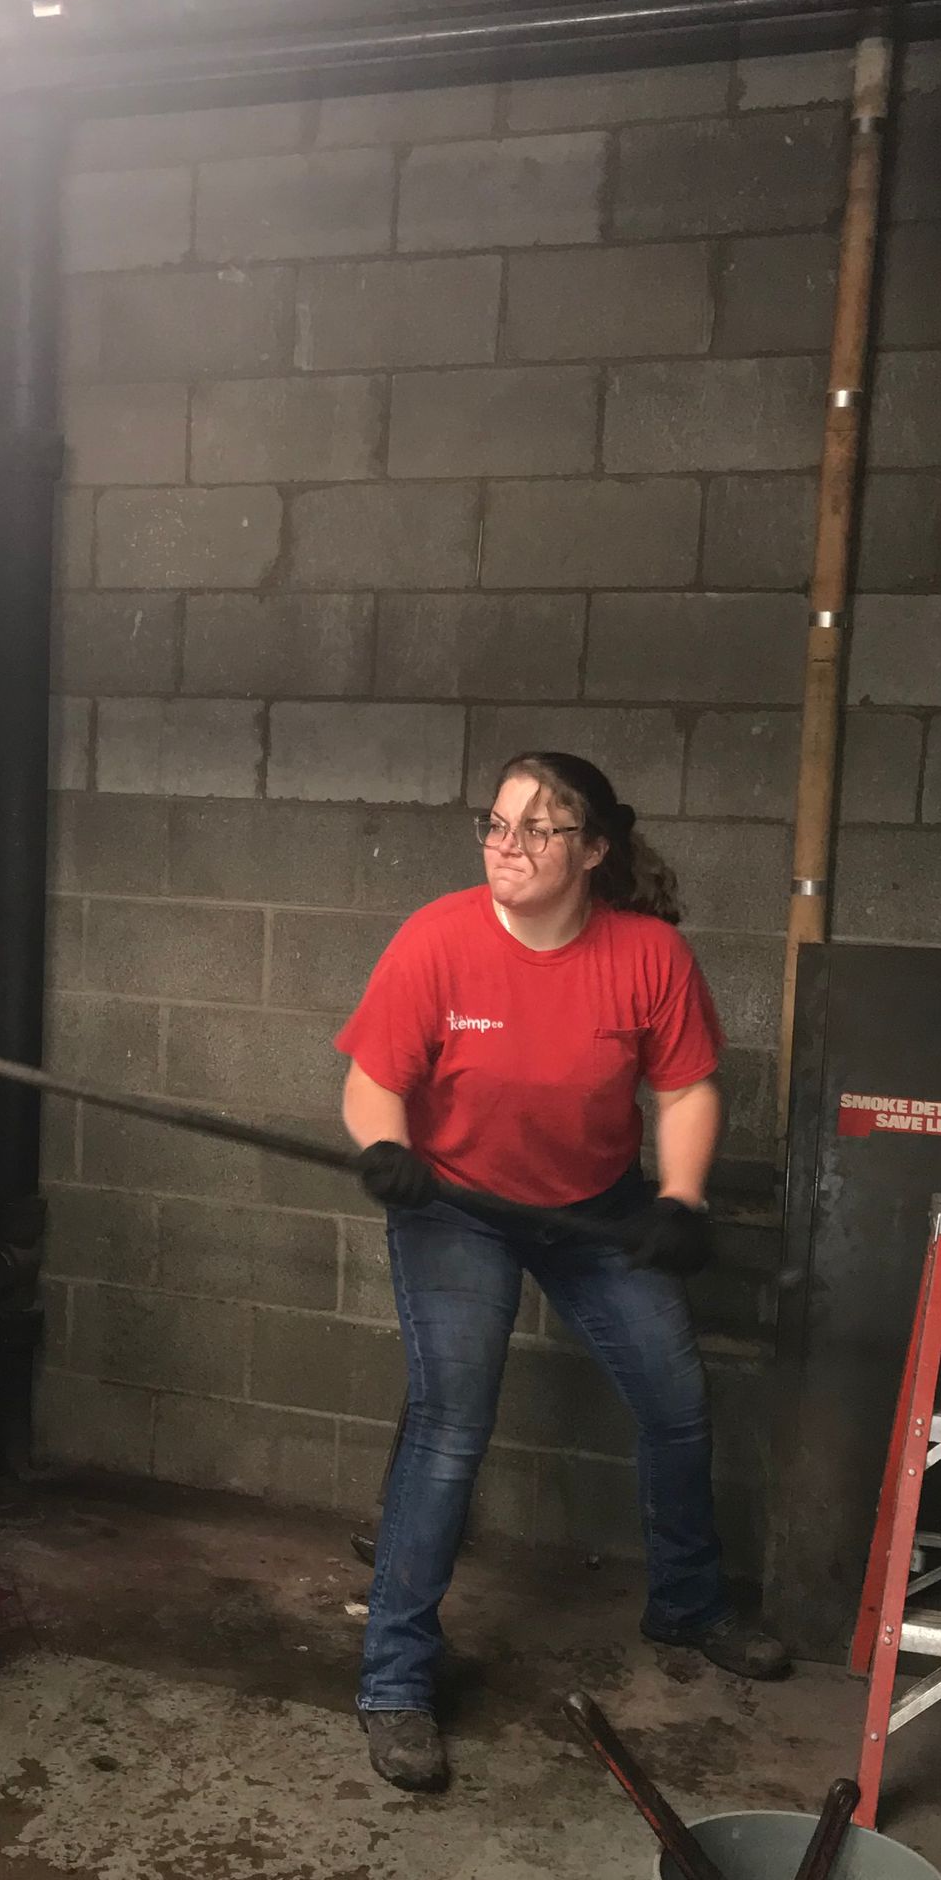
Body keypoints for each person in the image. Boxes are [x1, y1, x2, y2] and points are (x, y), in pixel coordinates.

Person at [336, 749, 788, 1795]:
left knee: (676, 1398)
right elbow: (372, 1081)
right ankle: (395, 1677)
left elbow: (684, 1090)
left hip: (594, 1208)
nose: (509, 846)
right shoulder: (437, 938)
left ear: (593, 850)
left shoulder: (648, 956)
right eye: (496, 825)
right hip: (458, 1207)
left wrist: (681, 1196)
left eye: (538, 829)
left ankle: (687, 1600)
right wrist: (386, 1148)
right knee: (452, 1426)